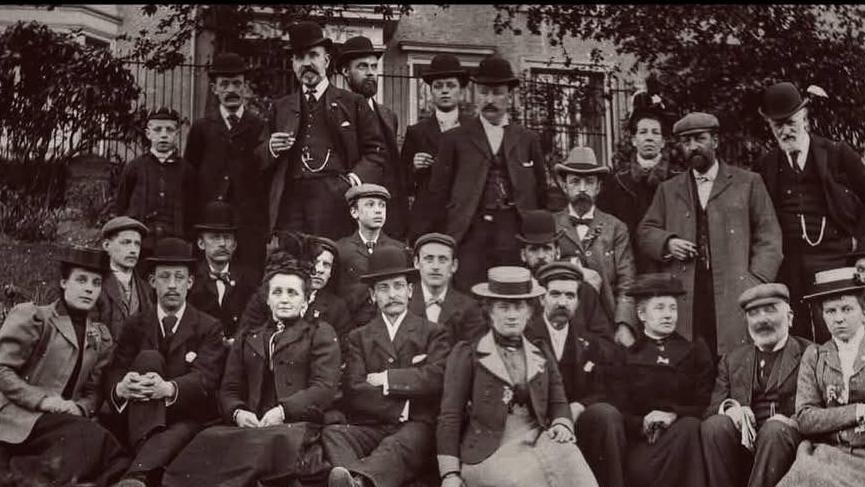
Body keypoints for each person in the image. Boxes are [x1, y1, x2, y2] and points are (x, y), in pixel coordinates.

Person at [162, 255, 340, 486]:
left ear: (305, 301)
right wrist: (238, 413)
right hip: (252, 423)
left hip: (295, 424)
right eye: (277, 292)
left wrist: (283, 411)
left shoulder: (319, 333)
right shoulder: (248, 336)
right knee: (209, 438)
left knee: (270, 444)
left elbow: (323, 388)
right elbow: (229, 388)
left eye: (292, 293)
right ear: (267, 299)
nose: (284, 299)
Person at [436, 265, 598, 487]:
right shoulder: (468, 354)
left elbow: (558, 400)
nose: (512, 315)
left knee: (573, 464)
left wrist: (562, 423)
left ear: (530, 311)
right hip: (489, 448)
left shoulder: (540, 351)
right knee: (520, 480)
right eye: (503, 308)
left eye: (518, 307)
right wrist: (450, 473)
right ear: (490, 312)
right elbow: (450, 416)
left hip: (538, 436)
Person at [638, 112, 783, 356]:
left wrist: (754, 282)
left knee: (735, 359)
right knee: (690, 359)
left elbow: (770, 239)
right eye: (686, 141)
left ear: (715, 141)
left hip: (734, 293)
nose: (693, 147)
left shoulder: (747, 183)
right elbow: (645, 232)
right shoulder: (668, 190)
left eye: (699, 139)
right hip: (687, 293)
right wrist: (668, 243)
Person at [322, 246, 451, 487]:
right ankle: (355, 480)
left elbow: (436, 377)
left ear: (410, 290)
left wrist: (386, 379)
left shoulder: (433, 332)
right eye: (383, 288)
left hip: (417, 426)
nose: (392, 294)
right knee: (334, 434)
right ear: (372, 295)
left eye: (398, 286)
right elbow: (354, 389)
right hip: (374, 424)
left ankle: (359, 482)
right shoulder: (359, 337)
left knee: (399, 444)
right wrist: (406, 400)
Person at [0, 246, 128, 487]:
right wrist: (45, 401)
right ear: (63, 282)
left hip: (65, 420)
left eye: (96, 283)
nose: (89, 288)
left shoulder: (100, 335)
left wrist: (80, 408)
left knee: (114, 456)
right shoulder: (35, 318)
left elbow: (94, 389)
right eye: (81, 280)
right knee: (92, 438)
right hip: (19, 415)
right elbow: (3, 371)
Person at [417, 54, 548, 290]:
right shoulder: (455, 139)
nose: (490, 99)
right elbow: (437, 194)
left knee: (512, 292)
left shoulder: (527, 139)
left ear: (510, 95)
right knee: (469, 294)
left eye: (497, 92)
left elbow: (542, 190)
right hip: (470, 231)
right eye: (484, 92)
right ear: (475, 94)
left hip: (514, 231)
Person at [105, 237, 226, 487]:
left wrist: (168, 388)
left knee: (183, 429)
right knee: (148, 357)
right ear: (152, 281)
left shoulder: (208, 326)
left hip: (185, 415)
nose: (172, 285)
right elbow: (116, 368)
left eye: (179, 277)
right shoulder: (135, 324)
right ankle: (147, 464)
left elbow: (206, 377)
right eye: (164, 277)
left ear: (190, 282)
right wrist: (121, 387)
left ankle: (135, 475)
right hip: (138, 413)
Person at [755, 82, 865, 343]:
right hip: (790, 266)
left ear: (804, 116)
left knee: (841, 335)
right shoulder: (766, 165)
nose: (785, 130)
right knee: (796, 338)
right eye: (777, 125)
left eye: (791, 122)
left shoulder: (838, 154)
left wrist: (862, 253)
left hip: (835, 262)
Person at [255, 21, 386, 240]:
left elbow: (376, 152)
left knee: (328, 263)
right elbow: (258, 157)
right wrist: (271, 147)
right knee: (292, 265)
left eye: (313, 55)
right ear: (293, 64)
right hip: (291, 204)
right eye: (299, 58)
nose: (307, 63)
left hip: (335, 201)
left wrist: (351, 182)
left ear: (326, 60)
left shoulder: (352, 103)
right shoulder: (281, 107)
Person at [607, 273, 715, 487]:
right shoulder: (626, 356)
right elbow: (618, 406)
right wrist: (642, 423)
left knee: (690, 427)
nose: (668, 315)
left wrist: (674, 414)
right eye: (660, 308)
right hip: (642, 442)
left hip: (683, 437)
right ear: (641, 314)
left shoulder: (694, 351)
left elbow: (704, 401)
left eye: (672, 308)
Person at [701, 283, 809, 487]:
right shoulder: (732, 360)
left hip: (786, 443)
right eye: (754, 313)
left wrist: (791, 421)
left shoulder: (810, 354)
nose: (762, 320)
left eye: (770, 310)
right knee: (714, 426)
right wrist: (731, 411)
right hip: (744, 446)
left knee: (775, 430)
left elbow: (818, 410)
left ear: (790, 316)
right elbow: (711, 411)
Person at [527, 262, 623, 487]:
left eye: (570, 296)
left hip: (577, 418)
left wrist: (580, 405)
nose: (562, 302)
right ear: (542, 299)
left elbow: (603, 389)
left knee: (606, 415)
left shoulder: (589, 342)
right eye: (555, 294)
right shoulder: (526, 336)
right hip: (536, 420)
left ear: (578, 302)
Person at [775, 267, 865, 486]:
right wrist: (858, 411)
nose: (839, 319)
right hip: (829, 453)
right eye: (830, 311)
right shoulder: (815, 355)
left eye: (847, 309)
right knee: (806, 475)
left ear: (863, 311)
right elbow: (805, 417)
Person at [185, 52, 269, 274]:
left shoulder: (260, 126)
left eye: (236, 83)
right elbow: (190, 175)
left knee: (248, 276)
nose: (231, 90)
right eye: (224, 84)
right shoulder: (202, 128)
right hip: (211, 221)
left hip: (248, 222)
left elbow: (268, 176)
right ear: (214, 89)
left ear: (245, 87)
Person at [553, 146, 638, 348]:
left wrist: (624, 323)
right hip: (560, 319)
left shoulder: (616, 227)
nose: (582, 188)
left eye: (589, 182)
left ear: (599, 187)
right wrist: (577, 271)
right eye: (575, 181)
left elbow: (628, 281)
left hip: (605, 323)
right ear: (564, 186)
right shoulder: (552, 225)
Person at [596, 91, 681, 273]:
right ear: (634, 140)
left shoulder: (679, 181)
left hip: (670, 266)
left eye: (655, 132)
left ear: (663, 141)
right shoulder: (617, 182)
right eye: (643, 132)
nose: (649, 137)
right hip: (629, 266)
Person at [337, 35, 409, 241]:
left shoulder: (388, 115)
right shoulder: (337, 112)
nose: (370, 73)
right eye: (362, 66)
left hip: (388, 217)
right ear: (345, 71)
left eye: (374, 66)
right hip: (353, 218)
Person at [238, 234, 354, 358]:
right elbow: (245, 340)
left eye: (327, 265)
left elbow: (342, 352)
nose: (320, 270)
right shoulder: (265, 298)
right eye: (315, 262)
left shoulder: (336, 308)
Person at [516, 209, 613, 338]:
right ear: (523, 255)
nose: (540, 256)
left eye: (546, 248)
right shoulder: (516, 294)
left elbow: (605, 342)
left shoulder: (584, 291)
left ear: (557, 252)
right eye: (533, 250)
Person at [403, 54, 471, 235]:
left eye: (451, 85)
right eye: (438, 86)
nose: (445, 91)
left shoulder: (474, 130)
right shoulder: (416, 132)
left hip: (465, 217)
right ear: (430, 92)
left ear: (461, 91)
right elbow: (403, 183)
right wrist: (414, 167)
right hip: (428, 219)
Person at [115, 107, 196, 247]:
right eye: (157, 130)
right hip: (141, 242)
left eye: (169, 130)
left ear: (177, 134)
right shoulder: (135, 167)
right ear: (148, 133)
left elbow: (192, 210)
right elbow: (122, 204)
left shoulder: (187, 171)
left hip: (175, 242)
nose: (163, 135)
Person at [336, 183, 407, 328]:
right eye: (370, 205)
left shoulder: (399, 250)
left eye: (382, 205)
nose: (378, 211)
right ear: (354, 212)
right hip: (352, 326)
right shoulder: (341, 250)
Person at [187, 201, 258, 342]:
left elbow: (256, 321)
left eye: (227, 237)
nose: (222, 244)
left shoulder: (250, 279)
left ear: (235, 245)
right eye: (215, 237)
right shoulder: (191, 279)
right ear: (201, 243)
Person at [409, 232, 486, 344]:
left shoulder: (469, 309)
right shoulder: (402, 302)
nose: (435, 267)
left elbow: (470, 353)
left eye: (442, 260)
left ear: (454, 266)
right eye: (429, 259)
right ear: (416, 263)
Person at [96, 216, 153, 339]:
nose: (133, 250)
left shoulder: (147, 289)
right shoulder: (97, 285)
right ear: (106, 245)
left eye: (137, 244)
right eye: (126, 242)